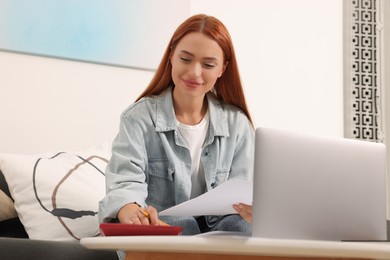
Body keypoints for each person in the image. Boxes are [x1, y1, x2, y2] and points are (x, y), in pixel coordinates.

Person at [98, 14, 254, 236]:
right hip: (164, 230)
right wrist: (131, 212)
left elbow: (246, 194)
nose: (194, 73)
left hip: (220, 236)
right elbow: (124, 185)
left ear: (222, 68)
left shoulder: (238, 125)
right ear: (171, 55)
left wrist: (255, 211)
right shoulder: (138, 119)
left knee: (244, 227)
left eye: (208, 64)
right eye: (185, 59)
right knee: (178, 221)